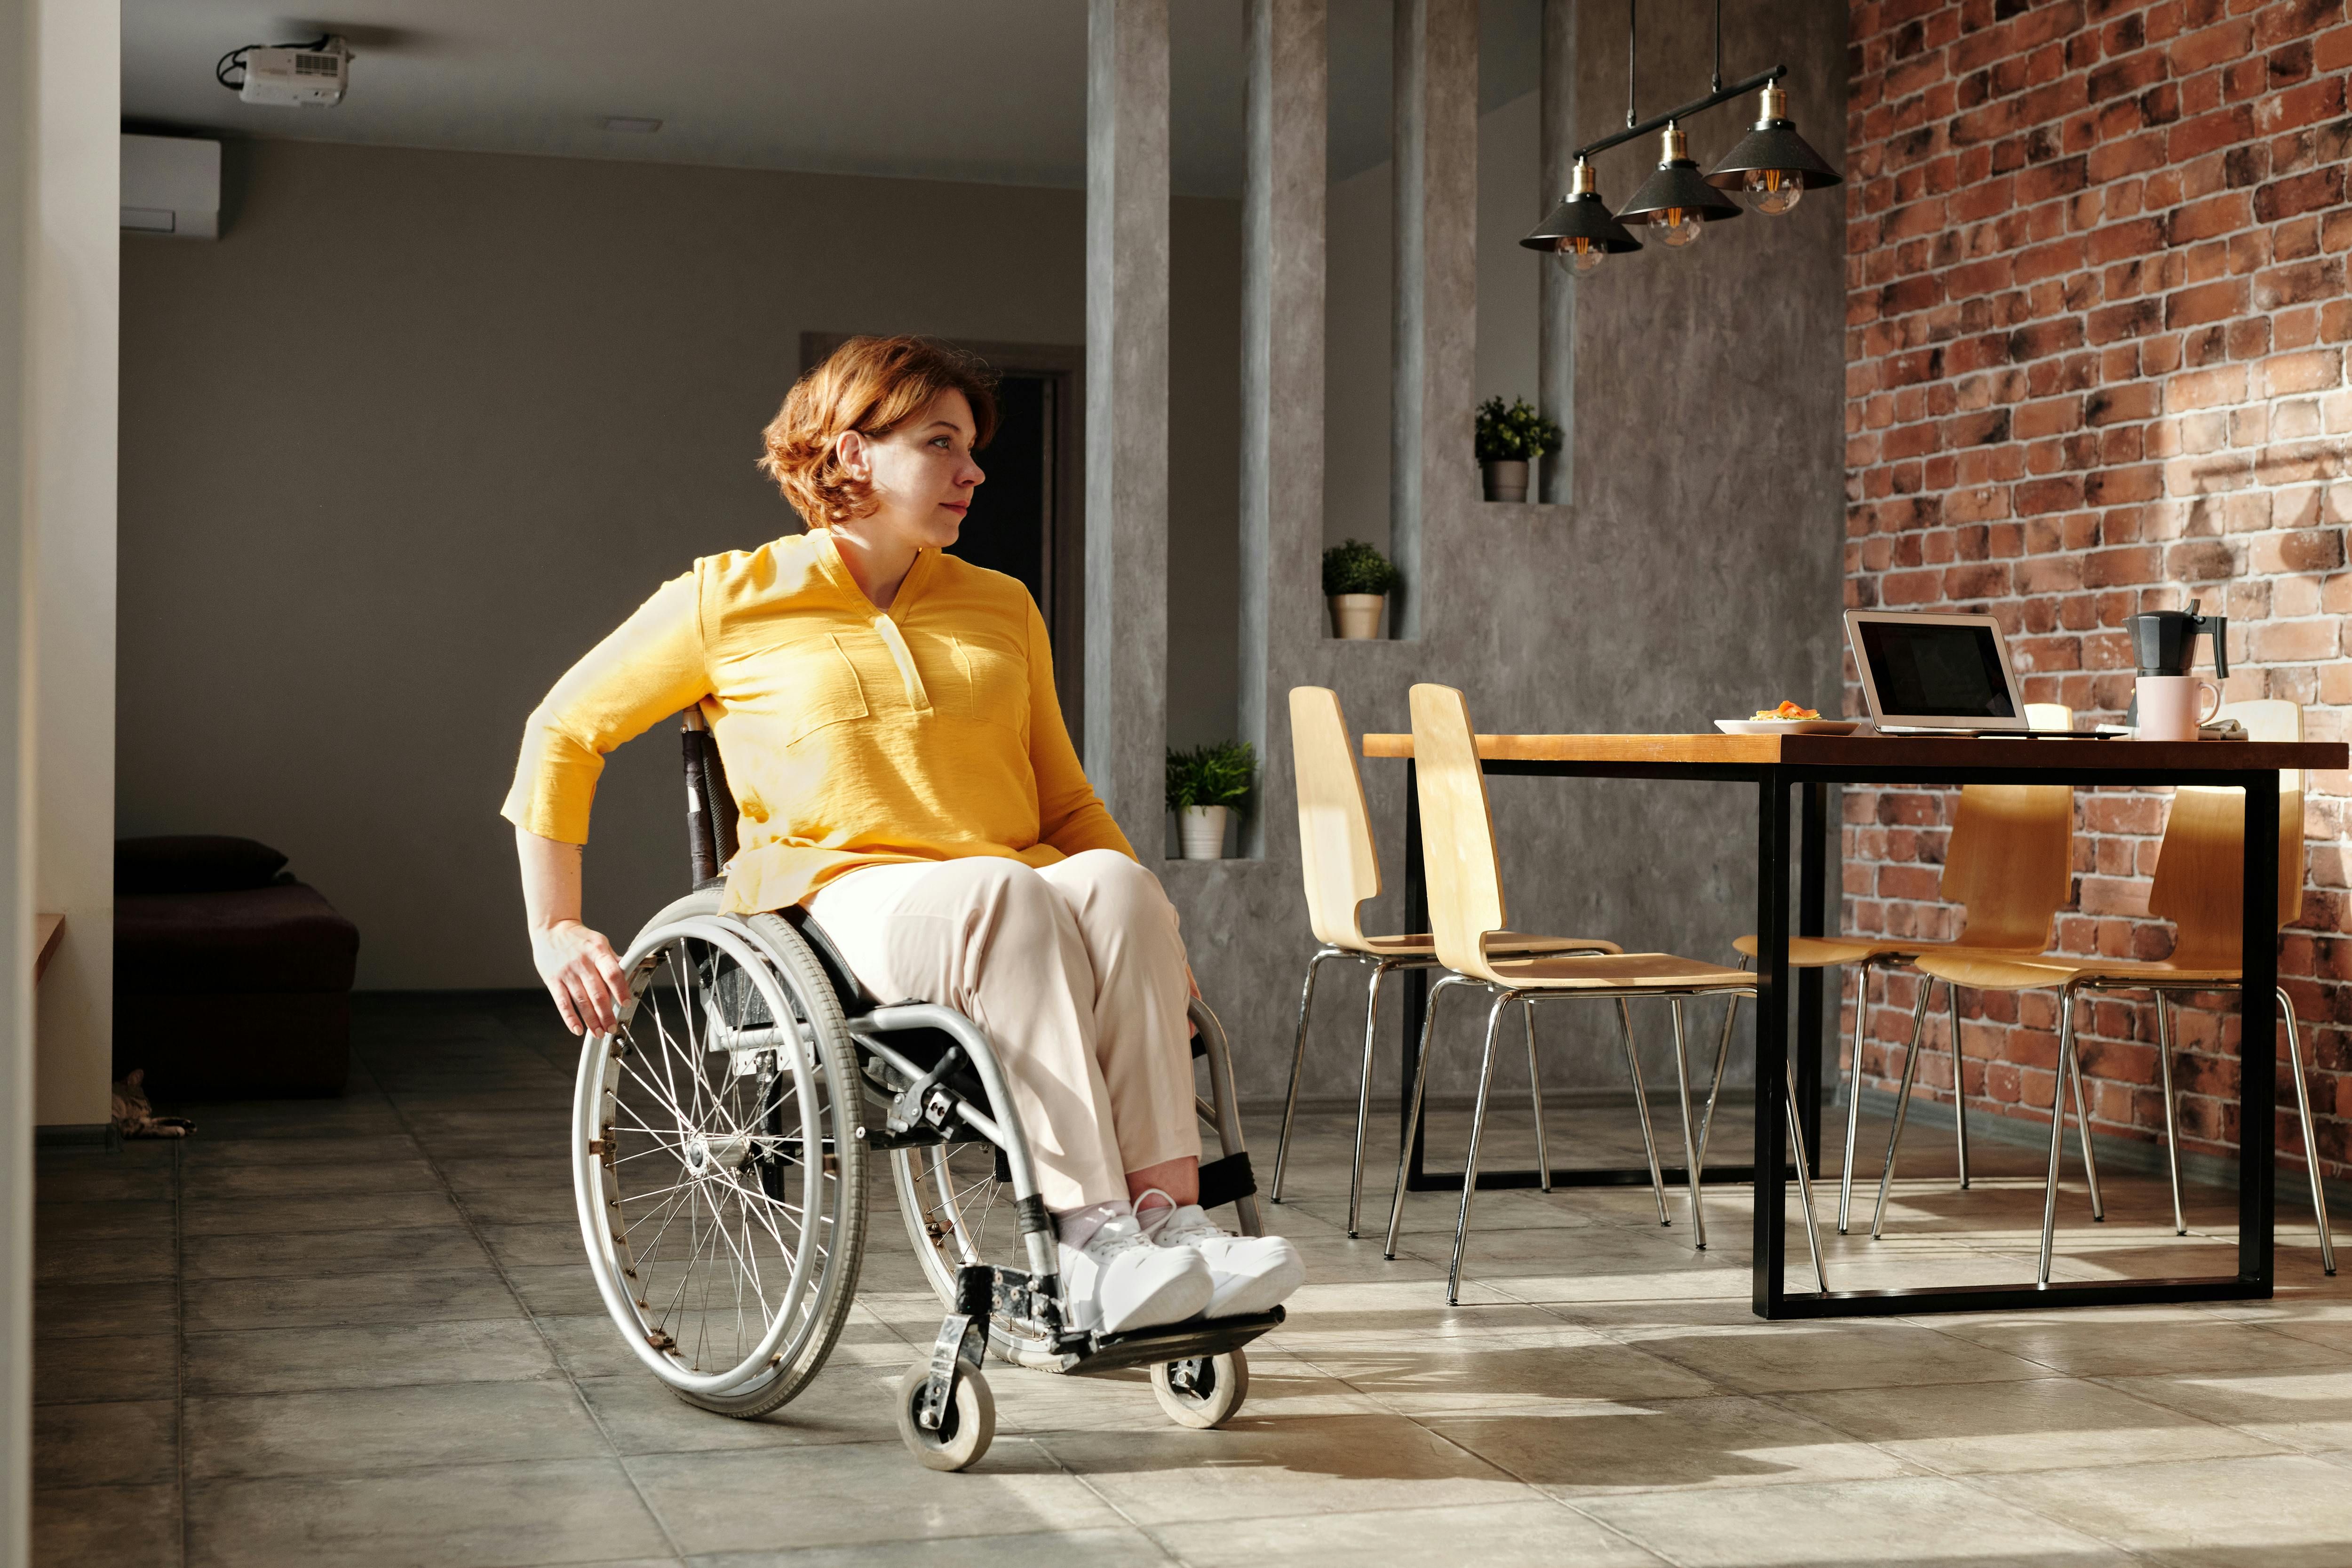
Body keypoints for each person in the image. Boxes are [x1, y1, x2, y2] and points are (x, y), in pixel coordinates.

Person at [502, 334, 1301, 1335]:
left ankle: (1170, 1224)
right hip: (844, 901)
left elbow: (1065, 802)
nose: (972, 471)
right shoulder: (727, 597)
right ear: (849, 456)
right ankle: (1091, 1240)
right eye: (940, 442)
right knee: (1004, 894)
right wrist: (555, 926)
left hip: (1009, 887)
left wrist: (1156, 926)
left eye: (972, 446)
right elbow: (564, 729)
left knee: (1117, 885)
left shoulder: (1001, 605)